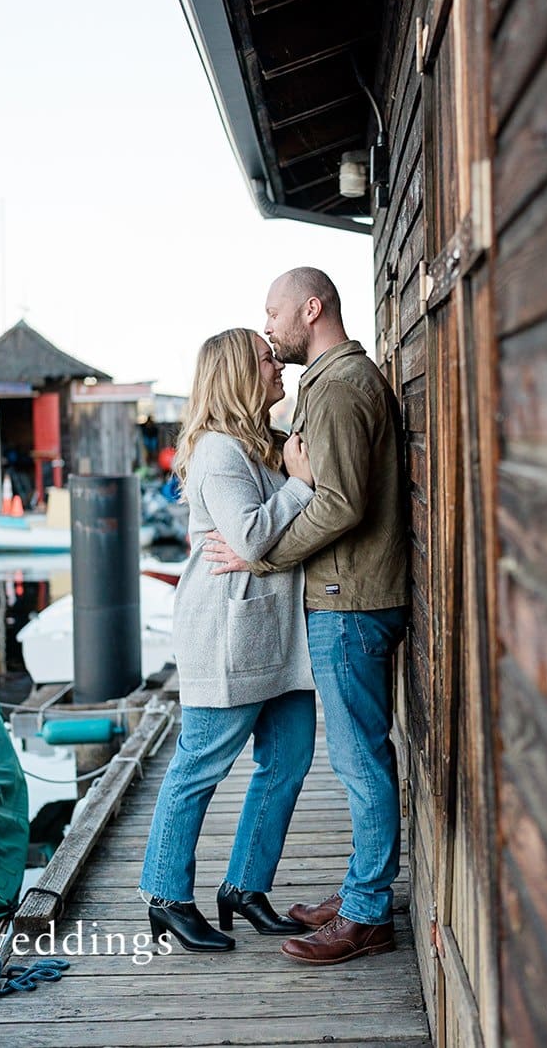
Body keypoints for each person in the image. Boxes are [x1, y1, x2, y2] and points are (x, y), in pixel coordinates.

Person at [203, 267, 407, 965]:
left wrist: (262, 556)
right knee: (357, 758)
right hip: (342, 598)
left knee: (359, 762)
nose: (268, 327)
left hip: (352, 603)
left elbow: (342, 500)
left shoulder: (344, 384)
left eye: (274, 312)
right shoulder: (330, 383)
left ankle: (368, 912)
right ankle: (361, 889)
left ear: (311, 309)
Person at [139, 327, 319, 952]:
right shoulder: (219, 451)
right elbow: (247, 540)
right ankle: (166, 895)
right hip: (228, 633)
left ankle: (244, 886)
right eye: (268, 359)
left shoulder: (266, 444)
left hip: (279, 633)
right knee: (200, 765)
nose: (280, 365)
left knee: (290, 761)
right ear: (239, 373)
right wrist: (298, 488)